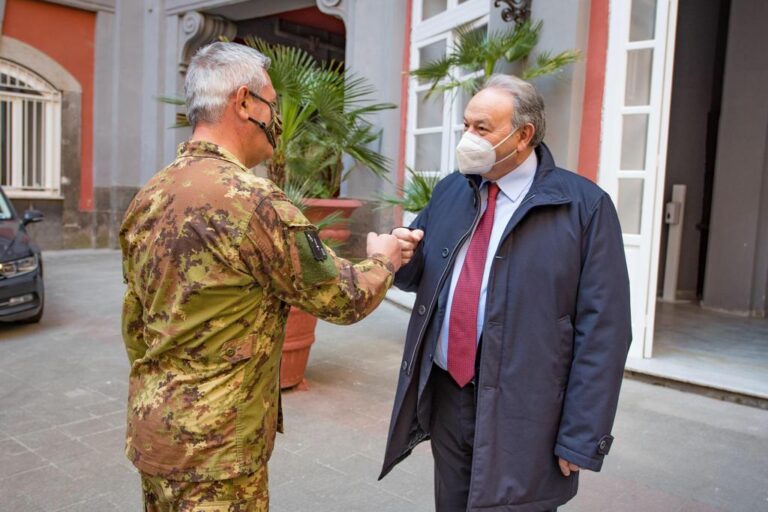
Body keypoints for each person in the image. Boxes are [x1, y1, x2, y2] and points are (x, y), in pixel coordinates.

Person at [120, 41, 402, 511]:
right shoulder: (253, 201)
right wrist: (385, 258)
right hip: (217, 454)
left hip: (155, 431)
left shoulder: (149, 194)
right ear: (244, 102)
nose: (275, 120)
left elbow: (135, 322)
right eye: (272, 105)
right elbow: (345, 298)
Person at [380, 74, 632, 511]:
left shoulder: (584, 207)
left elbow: (605, 331)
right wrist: (396, 255)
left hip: (529, 411)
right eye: (465, 126)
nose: (467, 138)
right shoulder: (451, 190)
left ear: (523, 135)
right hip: (449, 394)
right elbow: (422, 273)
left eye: (482, 128)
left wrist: (581, 435)